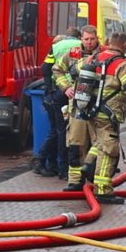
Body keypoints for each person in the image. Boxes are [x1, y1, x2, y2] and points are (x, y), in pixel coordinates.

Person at [81, 31, 126, 204]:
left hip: (90, 110)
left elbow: (76, 73)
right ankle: (103, 191)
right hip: (108, 113)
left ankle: (88, 165)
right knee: (109, 150)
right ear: (124, 45)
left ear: (109, 42)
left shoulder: (93, 58)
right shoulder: (122, 64)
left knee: (100, 142)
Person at [53, 24, 101, 191]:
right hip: (77, 106)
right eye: (86, 39)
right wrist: (66, 88)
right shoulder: (73, 53)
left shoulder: (104, 54)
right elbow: (57, 69)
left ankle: (96, 179)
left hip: (98, 106)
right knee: (76, 143)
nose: (89, 42)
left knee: (99, 143)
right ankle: (75, 181)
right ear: (81, 39)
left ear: (97, 38)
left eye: (92, 39)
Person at [37, 28, 82, 179]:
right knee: (68, 131)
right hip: (75, 91)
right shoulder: (80, 46)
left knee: (58, 130)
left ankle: (54, 165)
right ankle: (54, 164)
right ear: (80, 37)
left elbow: (45, 69)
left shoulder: (56, 46)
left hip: (58, 91)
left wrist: (49, 87)